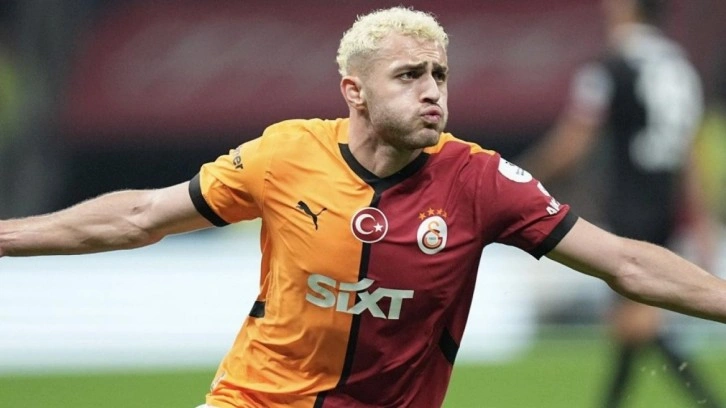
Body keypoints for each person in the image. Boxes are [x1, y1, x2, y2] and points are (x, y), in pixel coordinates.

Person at [1, 6, 726, 408]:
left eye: (440, 74)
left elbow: (625, 262)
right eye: (409, 75)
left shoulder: (481, 181)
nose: (432, 90)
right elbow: (139, 217)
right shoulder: (284, 155)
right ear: (354, 92)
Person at [516, 0, 723, 407]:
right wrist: (700, 220)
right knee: (633, 321)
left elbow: (574, 140)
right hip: (664, 204)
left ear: (627, 9)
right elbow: (689, 152)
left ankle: (708, 402)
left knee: (638, 318)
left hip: (630, 203)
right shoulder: (679, 66)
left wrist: (519, 175)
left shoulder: (610, 66)